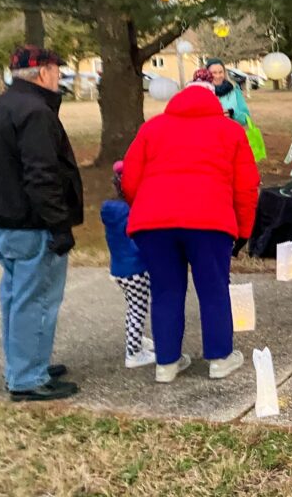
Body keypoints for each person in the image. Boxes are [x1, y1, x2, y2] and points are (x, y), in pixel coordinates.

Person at [122, 77, 259, 383]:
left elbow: (130, 178)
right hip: (210, 221)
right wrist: (243, 230)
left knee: (165, 291)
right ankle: (220, 358)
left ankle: (166, 363)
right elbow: (246, 187)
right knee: (213, 289)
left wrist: (144, 207)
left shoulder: (152, 128)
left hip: (154, 222)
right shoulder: (230, 131)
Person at [0, 46, 82, 401]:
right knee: (36, 301)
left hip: (5, 220)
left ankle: (24, 364)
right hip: (33, 224)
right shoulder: (36, 112)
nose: (59, 76)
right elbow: (42, 175)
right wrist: (59, 224)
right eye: (56, 70)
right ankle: (27, 377)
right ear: (42, 72)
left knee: (15, 299)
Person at [101, 161, 155, 368]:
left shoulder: (111, 210)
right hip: (136, 269)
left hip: (119, 269)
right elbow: (138, 239)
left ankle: (136, 339)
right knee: (138, 309)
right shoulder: (130, 211)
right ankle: (133, 353)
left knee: (133, 307)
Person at [205, 57, 251, 125]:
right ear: (207, 74)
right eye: (214, 73)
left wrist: (233, 114)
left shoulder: (234, 90)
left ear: (224, 73)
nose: (218, 76)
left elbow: (246, 118)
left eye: (220, 72)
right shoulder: (200, 92)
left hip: (231, 131)